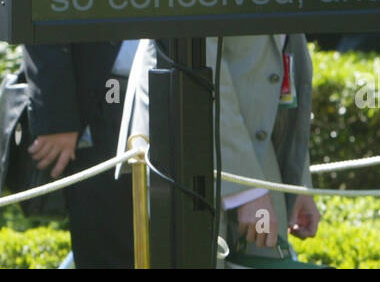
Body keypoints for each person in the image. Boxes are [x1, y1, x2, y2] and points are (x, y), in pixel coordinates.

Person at [120, 34, 320, 266]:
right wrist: (247, 189)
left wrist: (296, 183)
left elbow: (284, 57)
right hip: (187, 145)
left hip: (257, 158)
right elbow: (197, 63)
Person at [22, 41, 136, 268]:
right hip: (98, 105)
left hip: (179, 89)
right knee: (107, 245)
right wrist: (57, 120)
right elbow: (44, 17)